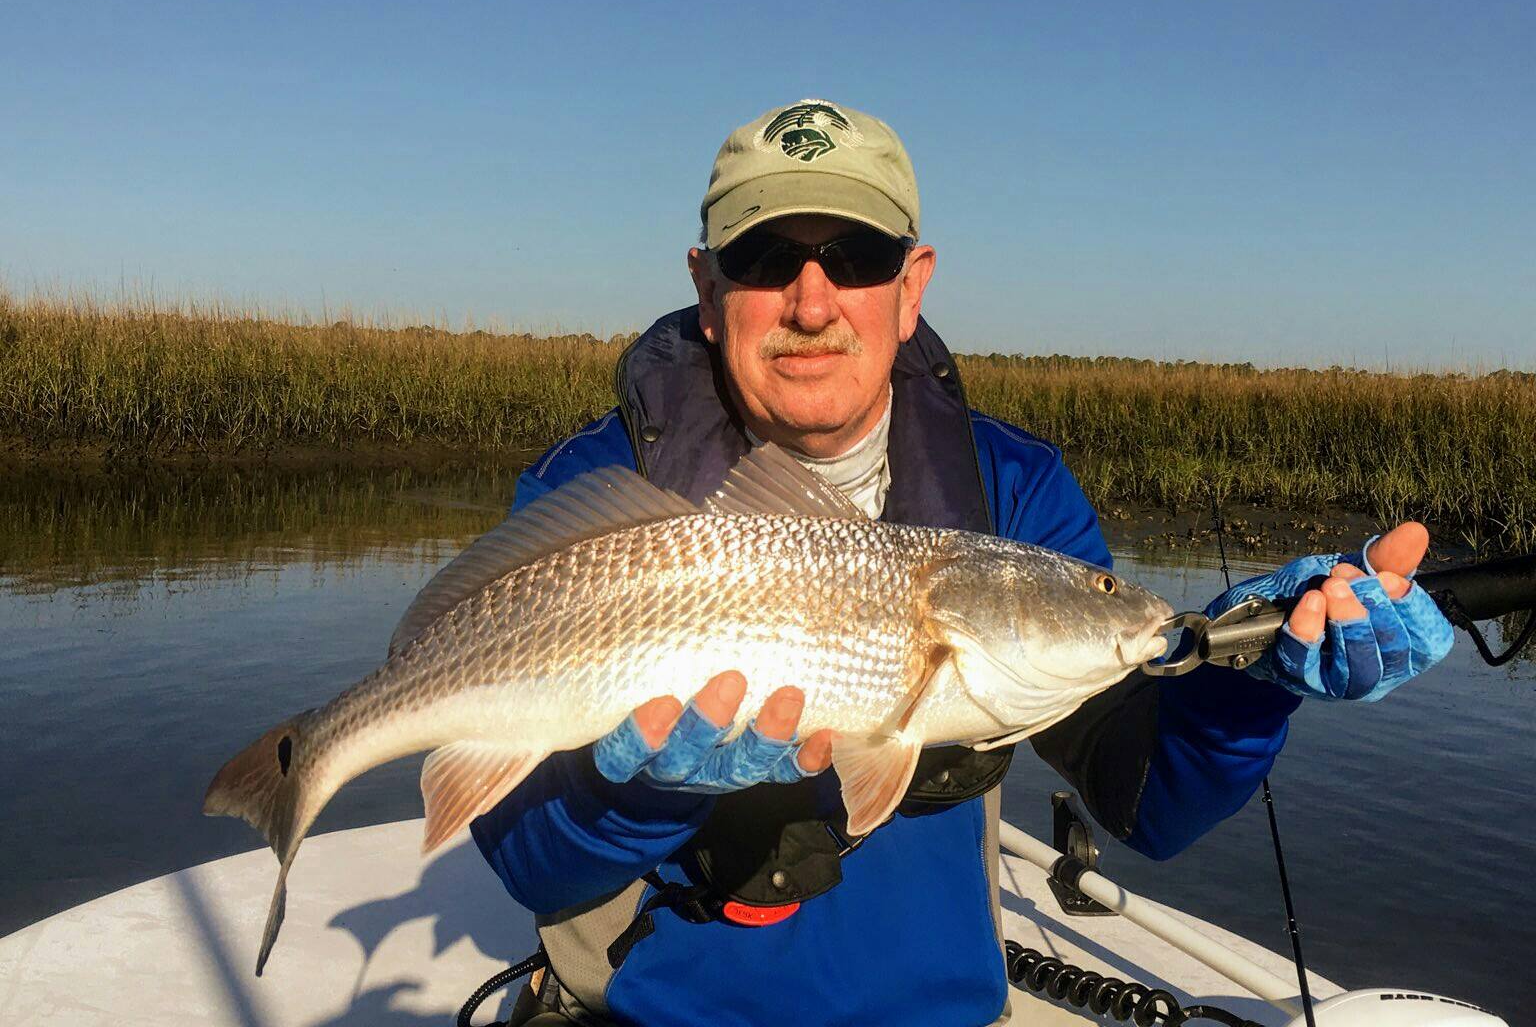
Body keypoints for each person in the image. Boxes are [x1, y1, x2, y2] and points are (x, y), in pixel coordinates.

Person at [470, 99, 1454, 1026]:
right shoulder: (594, 496)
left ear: (912, 285)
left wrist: (1248, 680)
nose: (813, 301)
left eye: (855, 256)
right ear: (708, 286)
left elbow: (1148, 804)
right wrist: (636, 793)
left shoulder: (1012, 489)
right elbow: (530, 864)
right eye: (766, 257)